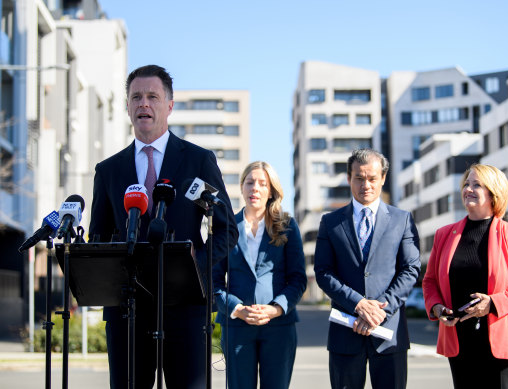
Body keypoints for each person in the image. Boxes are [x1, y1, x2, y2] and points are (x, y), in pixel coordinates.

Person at [89, 65, 238, 388]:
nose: (144, 104)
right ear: (127, 107)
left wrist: (195, 269)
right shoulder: (109, 170)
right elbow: (97, 237)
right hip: (127, 310)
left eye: (152, 96)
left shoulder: (197, 161)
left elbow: (226, 229)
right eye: (136, 97)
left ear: (169, 105)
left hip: (185, 309)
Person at [422, 163, 508, 389]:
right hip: (460, 338)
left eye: (477, 184)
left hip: (503, 337)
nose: (468, 189)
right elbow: (430, 281)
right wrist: (436, 307)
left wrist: (493, 303)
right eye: (466, 184)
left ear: (493, 193)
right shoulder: (444, 235)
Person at [314, 148, 421, 389]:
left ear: (383, 178)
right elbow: (322, 271)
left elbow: (411, 268)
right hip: (345, 332)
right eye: (359, 178)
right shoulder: (330, 222)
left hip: (389, 332)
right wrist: (358, 304)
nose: (366, 185)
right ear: (349, 178)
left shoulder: (401, 219)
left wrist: (381, 309)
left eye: (372, 178)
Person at [212, 161, 307, 389]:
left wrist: (276, 309)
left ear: (271, 191)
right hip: (236, 326)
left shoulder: (287, 226)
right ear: (242, 187)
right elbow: (213, 280)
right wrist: (237, 309)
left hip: (279, 326)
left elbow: (298, 278)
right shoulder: (225, 226)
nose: (255, 188)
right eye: (250, 182)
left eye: (262, 184)